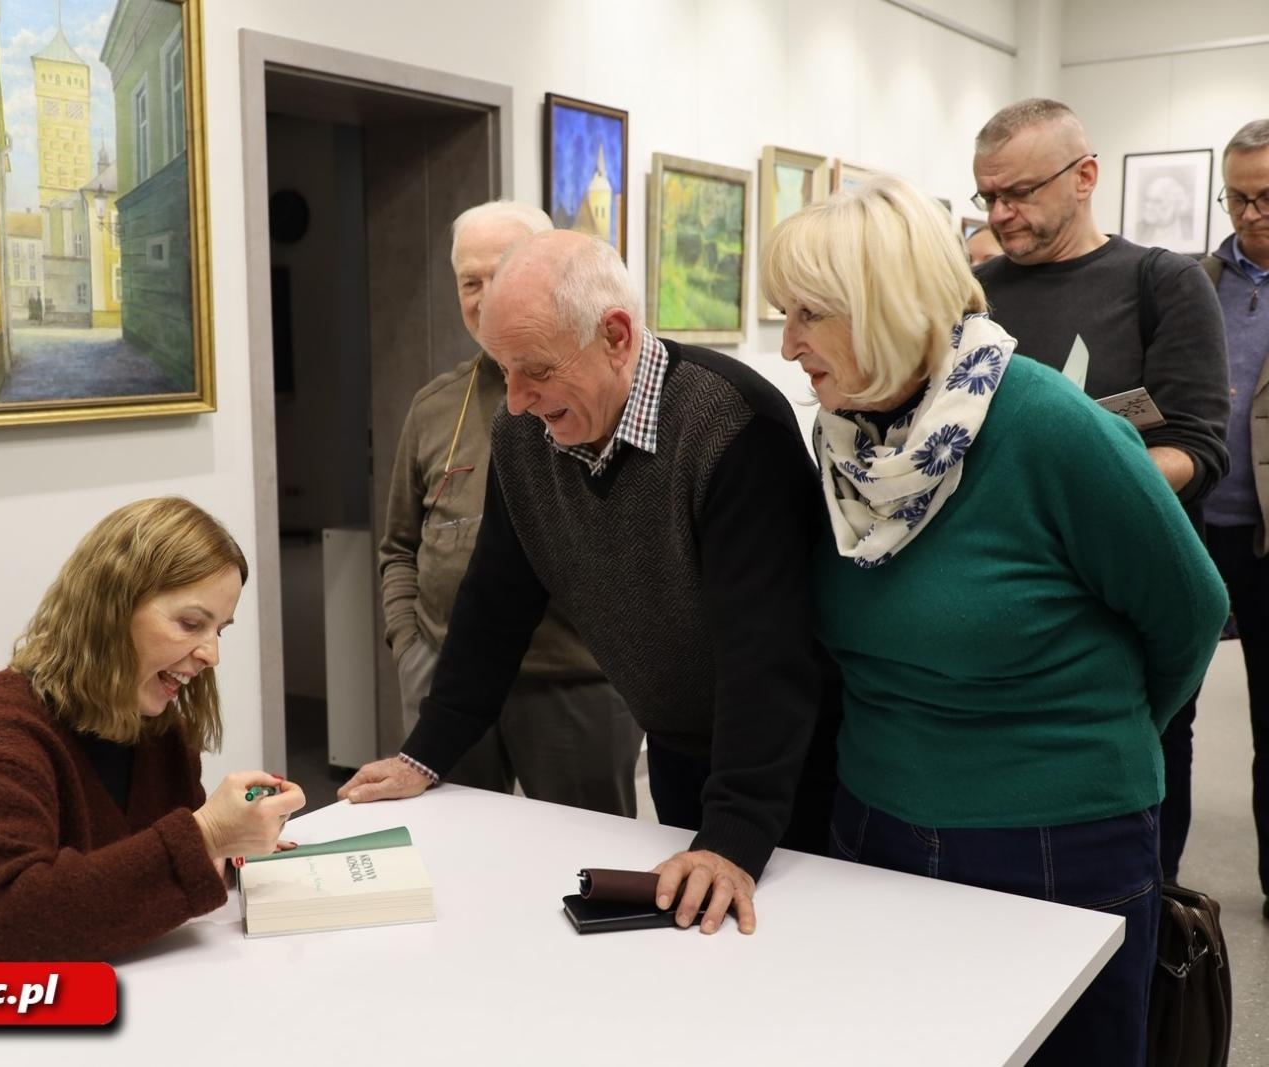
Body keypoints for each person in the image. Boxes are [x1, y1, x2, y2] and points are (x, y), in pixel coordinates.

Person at [761, 173, 1227, 1065]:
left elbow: (1190, 612)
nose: (788, 347)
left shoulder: (1049, 426)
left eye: (807, 316)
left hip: (1058, 839)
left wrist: (1085, 741)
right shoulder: (844, 441)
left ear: (883, 305)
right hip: (876, 822)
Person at [341, 228, 834, 935]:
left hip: (790, 761)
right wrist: (429, 749)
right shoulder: (523, 438)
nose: (513, 400)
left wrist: (734, 835)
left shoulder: (731, 425)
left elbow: (770, 653)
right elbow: (495, 602)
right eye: (502, 370)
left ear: (616, 335)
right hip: (678, 748)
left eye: (534, 369)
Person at [970, 98, 1230, 882]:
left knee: (1138, 788)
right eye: (988, 197)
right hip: (1001, 593)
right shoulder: (972, 293)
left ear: (1085, 176)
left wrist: (1076, 482)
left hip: (1123, 594)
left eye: (1019, 192)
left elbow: (1196, 446)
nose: (1001, 212)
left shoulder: (1162, 283)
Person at [0, 498, 304, 961]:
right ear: (110, 609)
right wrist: (206, 835)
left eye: (219, 630)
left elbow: (137, 879)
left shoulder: (156, 724)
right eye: (191, 624)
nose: (211, 655)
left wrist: (232, 849)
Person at [379, 200, 642, 816]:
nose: (486, 296)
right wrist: (410, 650)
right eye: (471, 282)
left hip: (573, 688)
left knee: (585, 862)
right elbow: (398, 545)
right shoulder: (434, 405)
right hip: (447, 679)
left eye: (503, 274)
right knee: (461, 860)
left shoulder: (609, 394)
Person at [1200, 118, 1269, 920]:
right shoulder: (1197, 278)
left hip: (1267, 533)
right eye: (1237, 197)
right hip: (1193, 523)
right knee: (1167, 712)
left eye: (1265, 197)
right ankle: (1159, 870)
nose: (1250, 213)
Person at [1136, 173, 1192, 249]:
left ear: (1177, 204)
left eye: (1157, 201)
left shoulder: (1191, 228)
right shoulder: (1138, 229)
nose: (1148, 206)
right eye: (1147, 200)